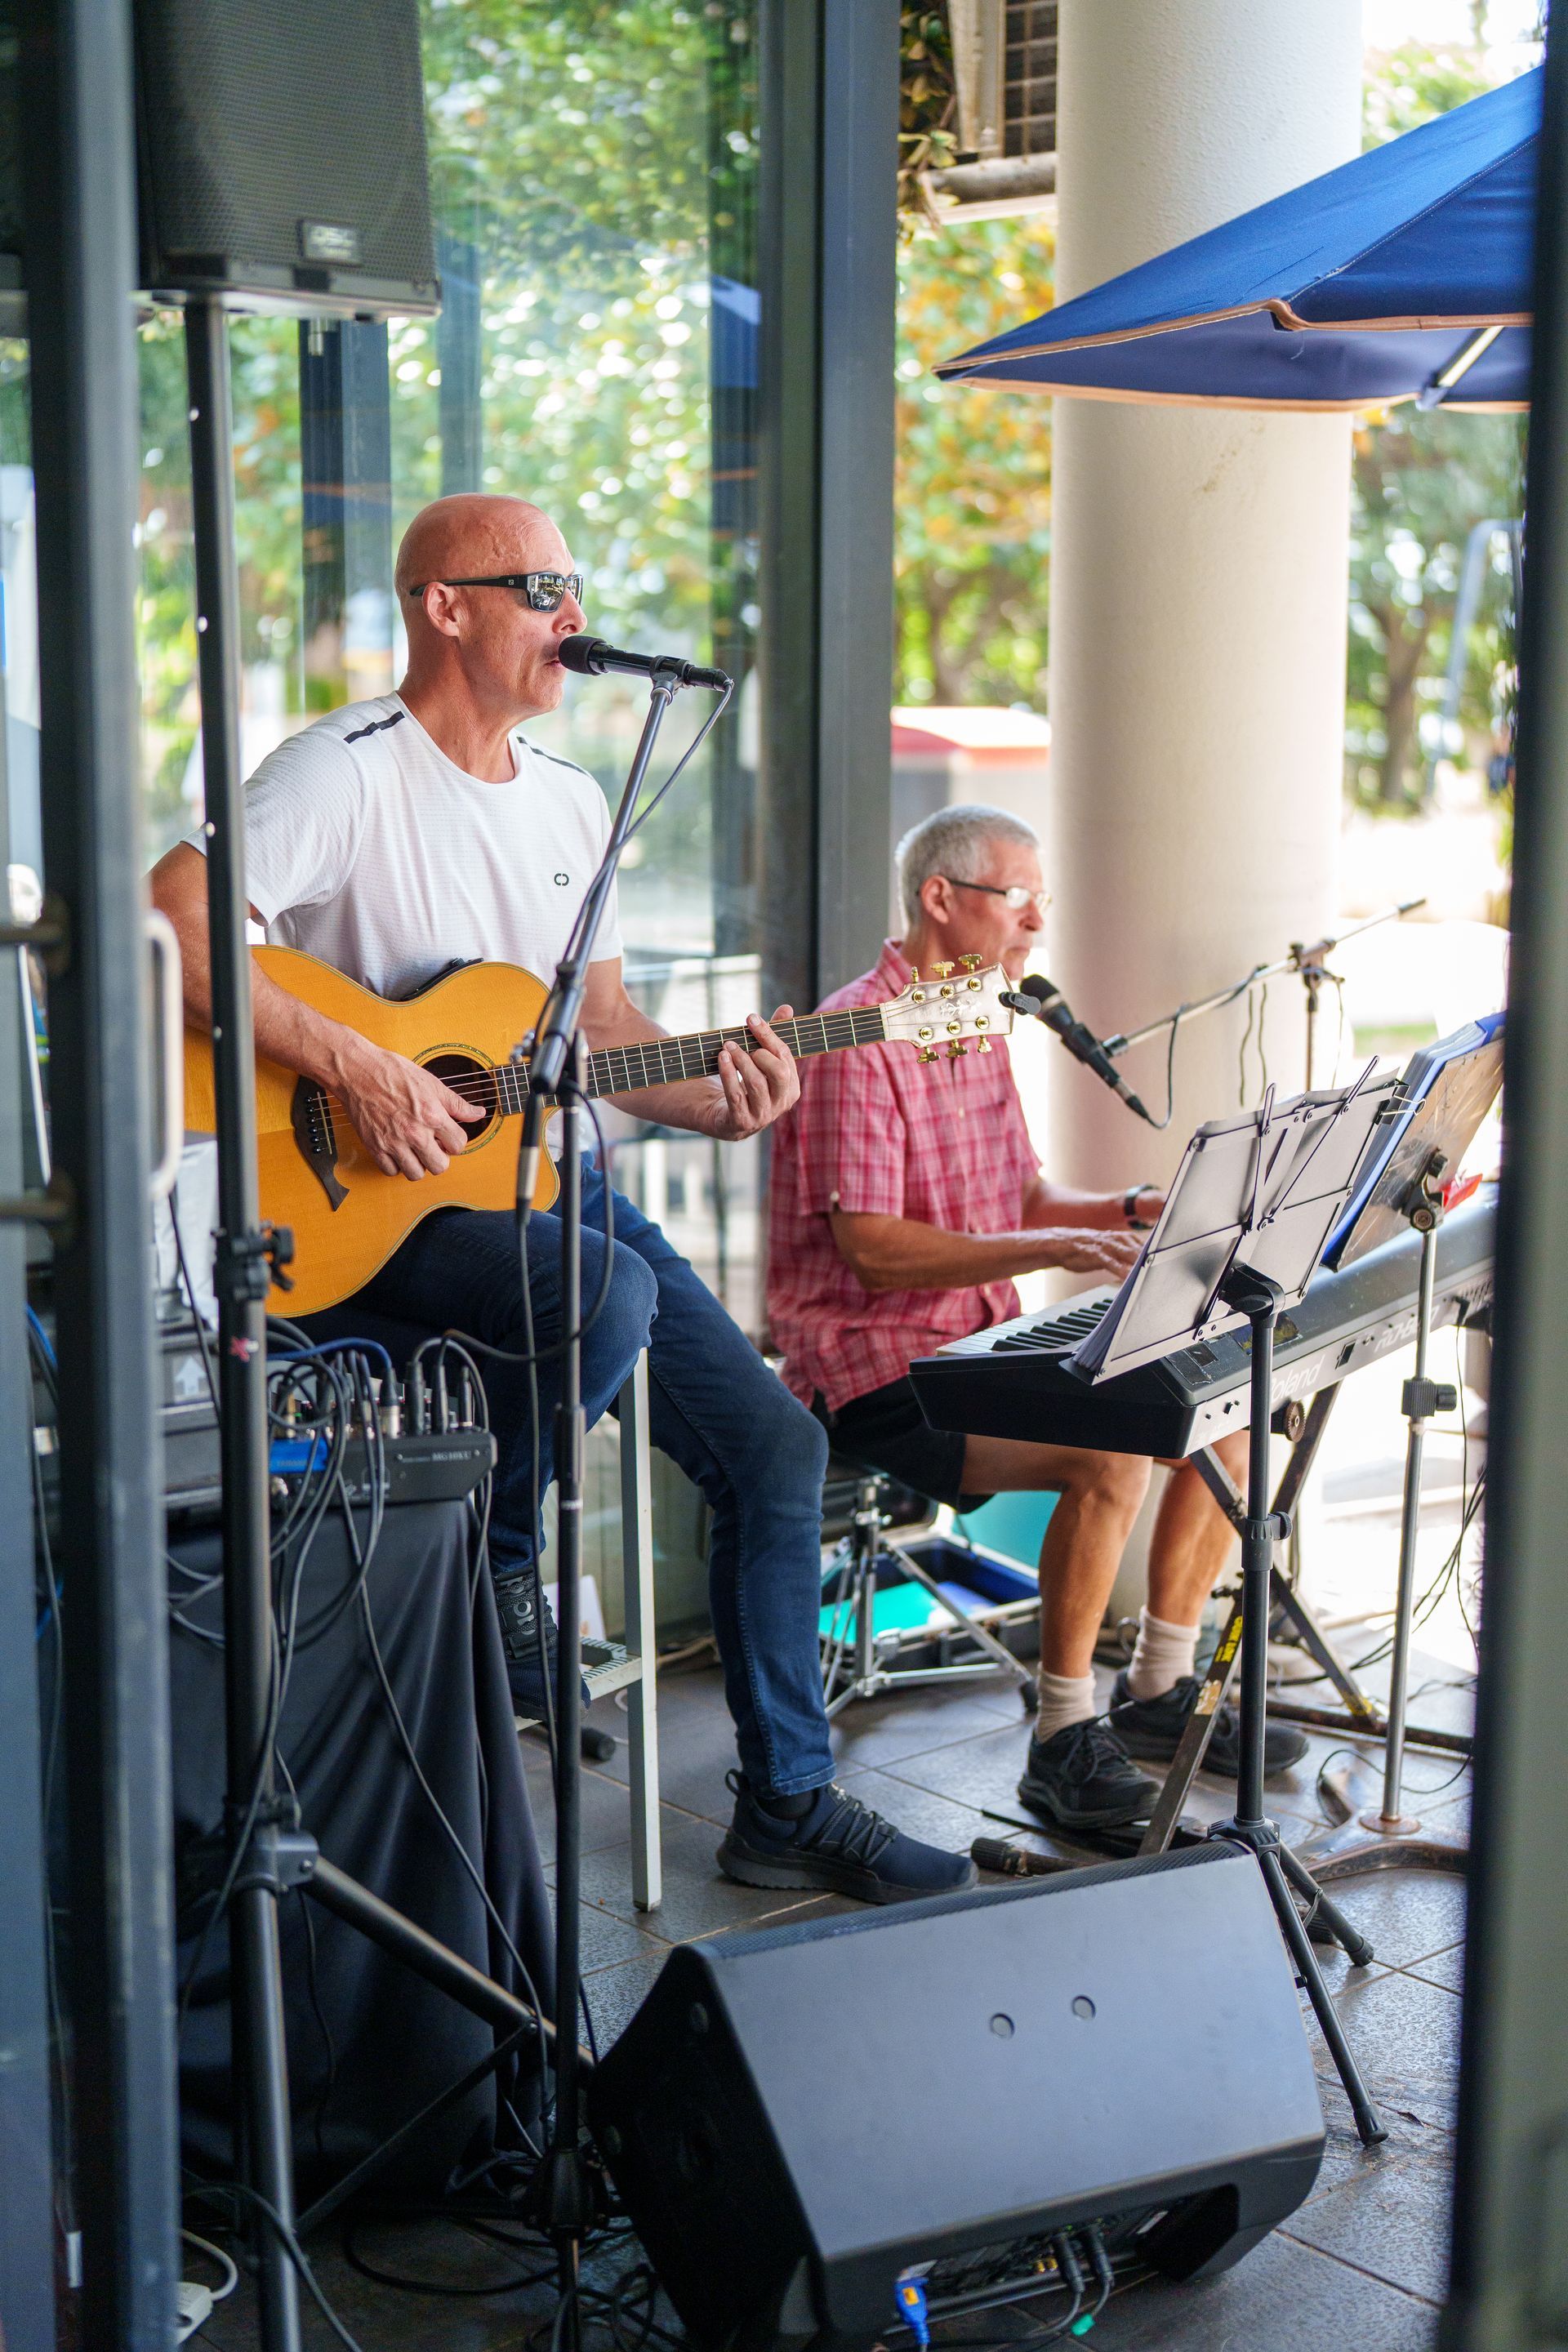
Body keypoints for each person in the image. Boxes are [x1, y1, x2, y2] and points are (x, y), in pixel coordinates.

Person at [151, 492, 976, 1906]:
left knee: (775, 1449)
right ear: (445, 607)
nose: (572, 616)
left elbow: (593, 1032)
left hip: (543, 1182)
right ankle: (504, 1569)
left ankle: (785, 1801)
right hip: (367, 1209)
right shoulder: (341, 770)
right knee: (603, 1288)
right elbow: (175, 916)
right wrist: (366, 1063)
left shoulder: (573, 801)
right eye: (539, 587)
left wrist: (721, 1095)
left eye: (574, 585)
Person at [766, 804, 1307, 1833]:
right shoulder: (853, 1041)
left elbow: (1021, 1196)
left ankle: (1156, 1685)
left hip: (980, 1344)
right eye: (1020, 901)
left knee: (1223, 1428)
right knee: (1109, 1458)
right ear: (940, 898)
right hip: (881, 1372)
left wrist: (1132, 1211)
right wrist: (1054, 1251)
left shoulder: (967, 1019)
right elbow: (873, 1250)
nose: (1035, 929)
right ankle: (1062, 1740)